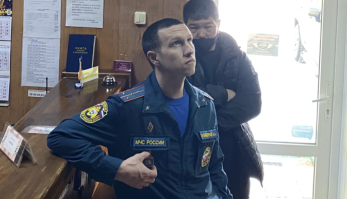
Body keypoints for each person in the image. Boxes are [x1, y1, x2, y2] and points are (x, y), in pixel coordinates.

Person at [47, 18, 232, 199]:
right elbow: (61, 136)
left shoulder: (205, 104)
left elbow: (215, 166)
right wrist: (117, 169)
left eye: (189, 40)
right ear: (154, 57)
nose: (190, 50)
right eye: (176, 43)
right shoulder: (127, 106)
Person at [184, 0, 264, 199]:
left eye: (208, 27)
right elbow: (183, 98)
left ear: (218, 24)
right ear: (185, 26)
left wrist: (210, 124)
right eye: (194, 28)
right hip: (190, 145)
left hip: (233, 144)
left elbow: (252, 103)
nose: (202, 34)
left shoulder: (238, 57)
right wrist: (224, 94)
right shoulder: (179, 56)